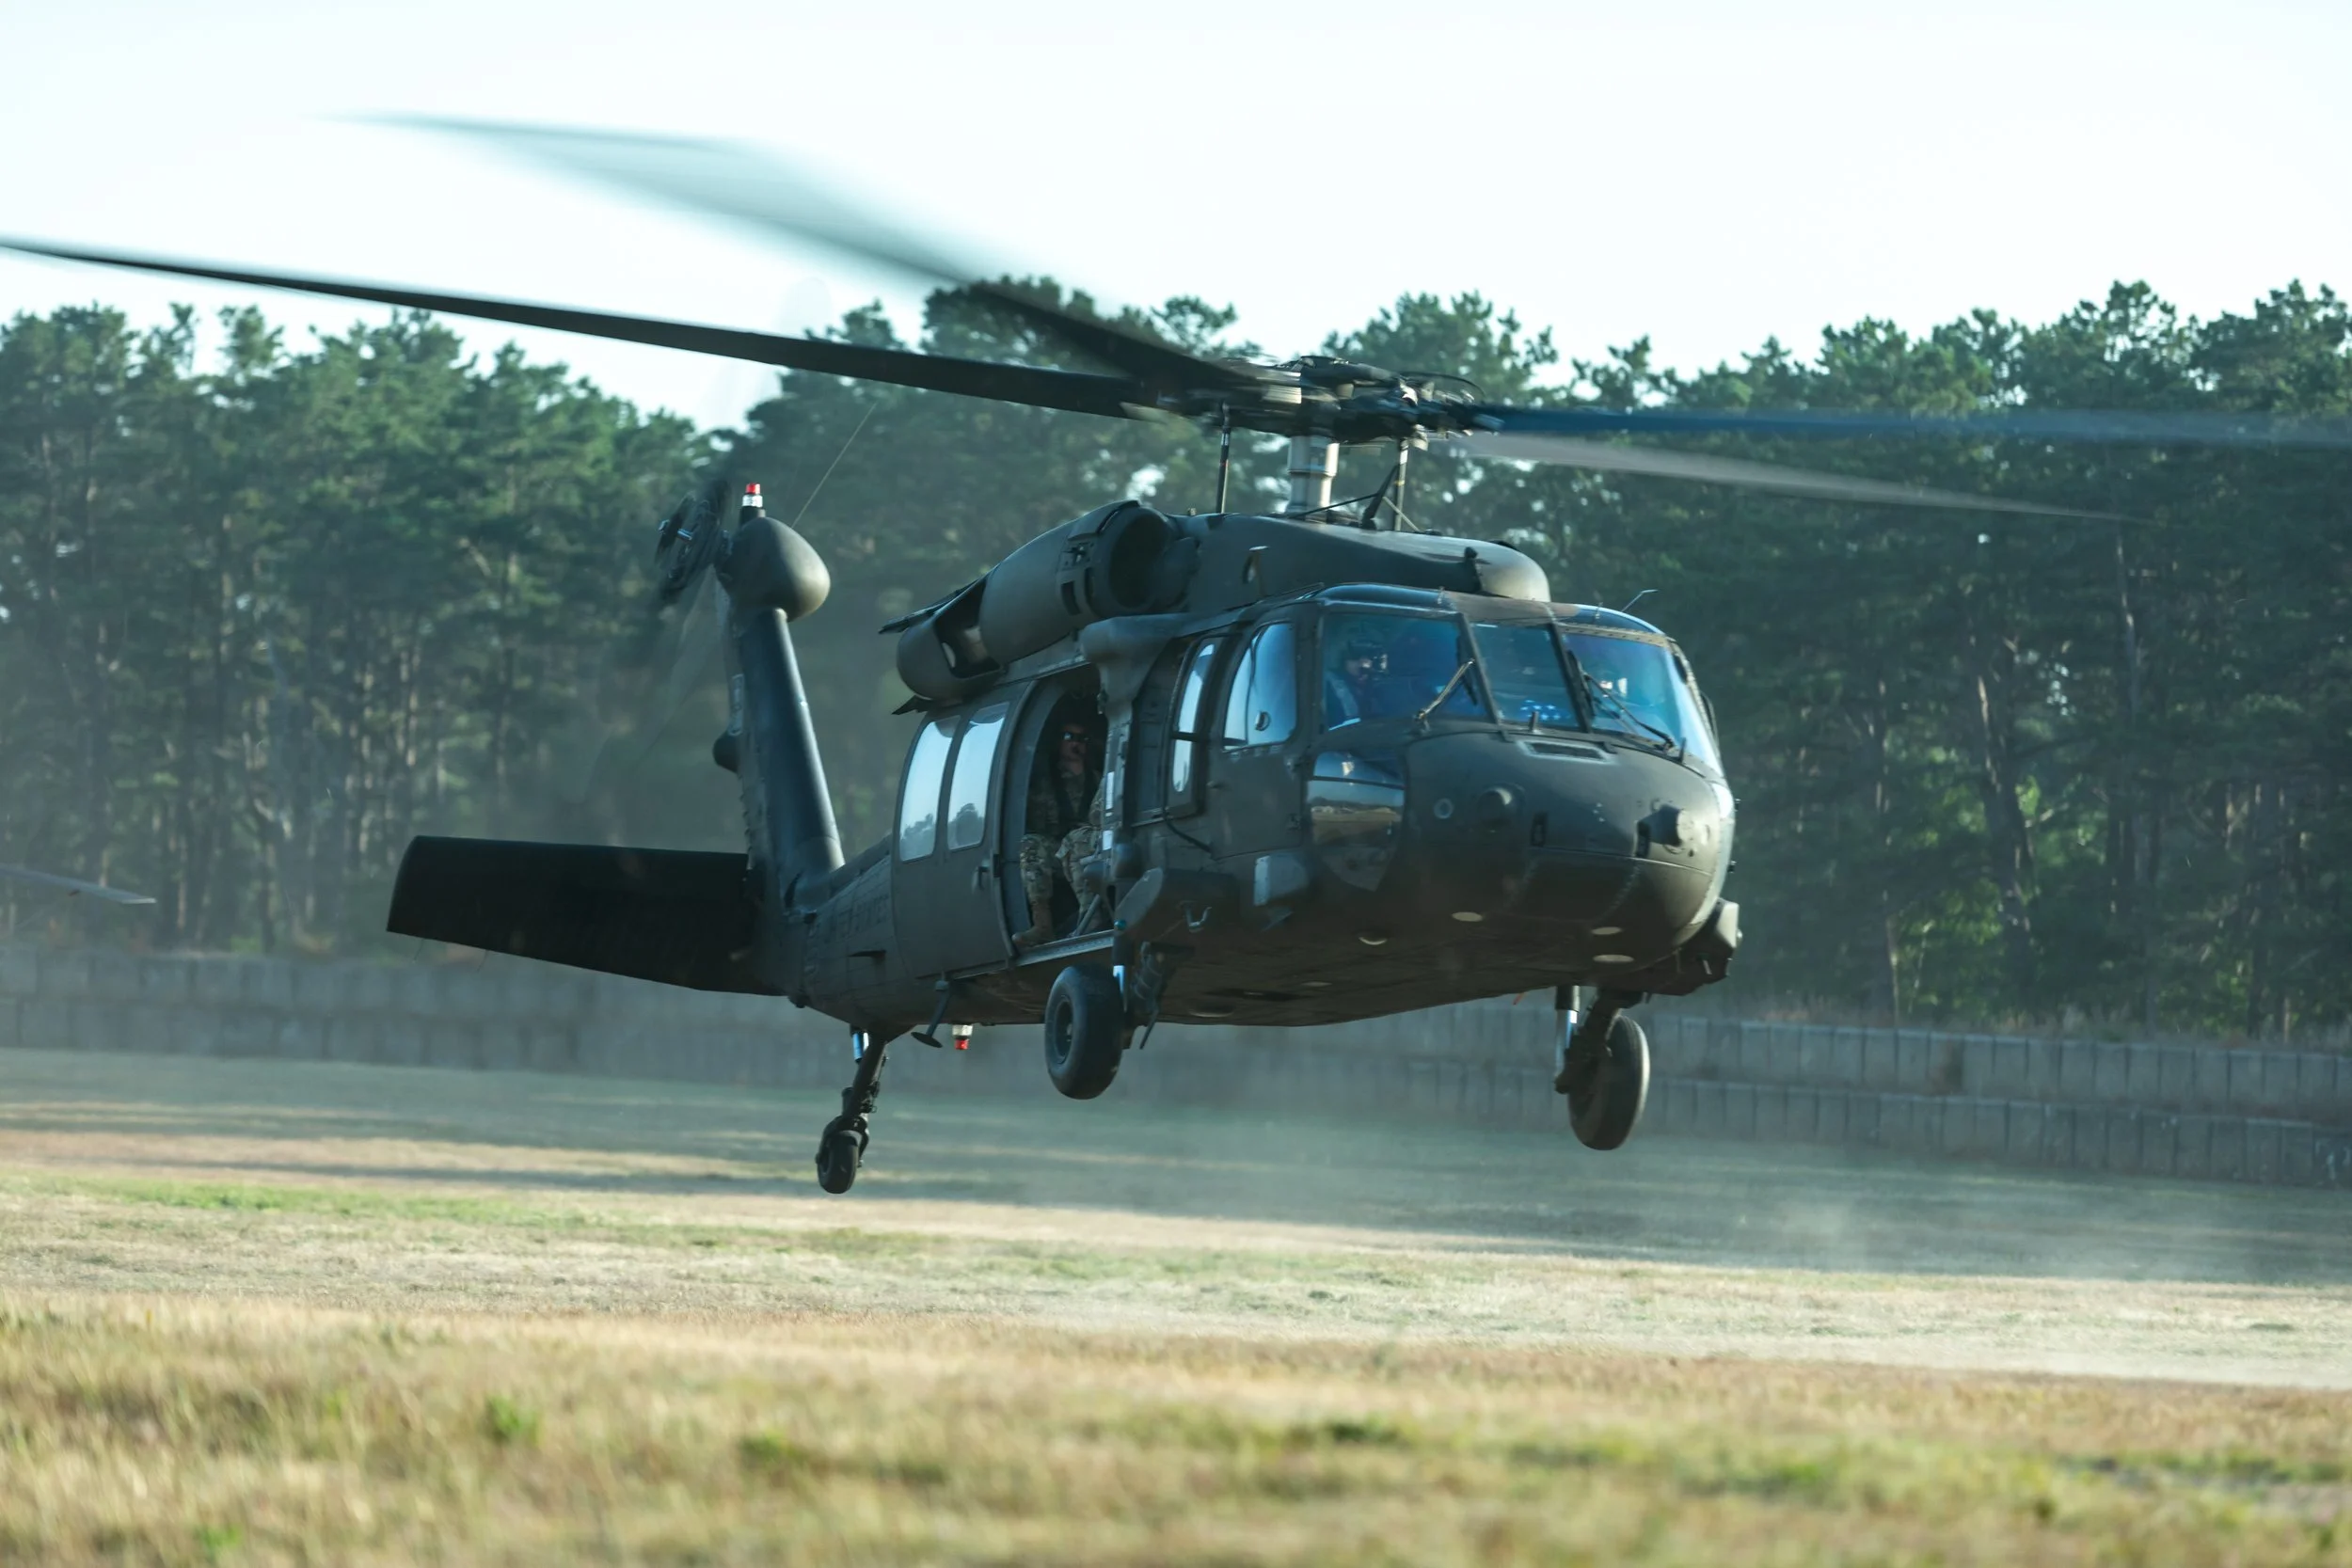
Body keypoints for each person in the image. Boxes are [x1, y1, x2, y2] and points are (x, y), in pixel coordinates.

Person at [1016, 714, 1103, 946]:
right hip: (1061, 848)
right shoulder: (1047, 781)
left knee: (1076, 843)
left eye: (1081, 739)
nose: (1076, 743)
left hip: (1094, 845)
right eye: (1069, 737)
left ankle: (1090, 920)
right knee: (1031, 844)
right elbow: (1038, 824)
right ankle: (1043, 925)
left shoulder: (1097, 780)